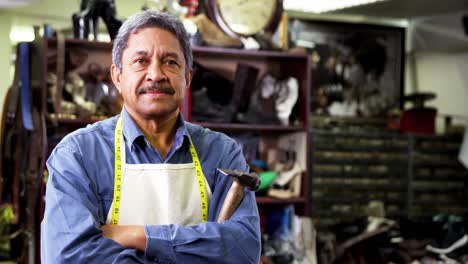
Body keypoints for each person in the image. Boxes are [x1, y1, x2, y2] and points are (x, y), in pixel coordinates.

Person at [41, 10, 261, 263]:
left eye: (170, 62)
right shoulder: (78, 155)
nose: (156, 75)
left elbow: (244, 250)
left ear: (187, 78)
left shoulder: (221, 152)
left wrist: (138, 235)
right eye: (141, 61)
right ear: (117, 76)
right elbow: (69, 256)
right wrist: (198, 250)